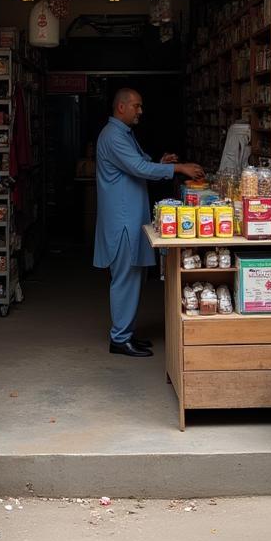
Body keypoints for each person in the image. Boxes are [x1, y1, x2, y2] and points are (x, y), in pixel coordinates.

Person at [94, 88, 203, 357]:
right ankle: (119, 338)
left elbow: (139, 162)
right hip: (122, 220)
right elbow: (139, 169)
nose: (140, 111)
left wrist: (160, 163)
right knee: (125, 279)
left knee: (135, 277)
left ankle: (126, 332)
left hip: (130, 217)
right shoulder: (113, 136)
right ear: (121, 107)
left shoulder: (124, 134)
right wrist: (178, 168)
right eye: (136, 106)